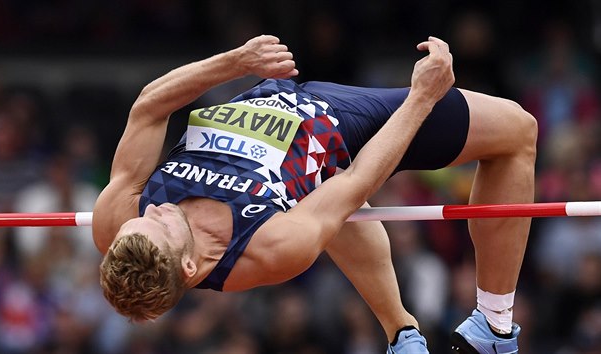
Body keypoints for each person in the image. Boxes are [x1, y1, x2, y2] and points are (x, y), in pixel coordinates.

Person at [92, 34, 537, 354]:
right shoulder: (267, 249)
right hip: (343, 124)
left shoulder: (117, 223)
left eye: (145, 216)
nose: (157, 209)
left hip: (269, 93)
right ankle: (494, 328)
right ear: (189, 266)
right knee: (518, 129)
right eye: (162, 223)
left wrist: (237, 61)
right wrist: (421, 98)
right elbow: (356, 181)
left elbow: (149, 107)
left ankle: (404, 337)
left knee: (326, 205)